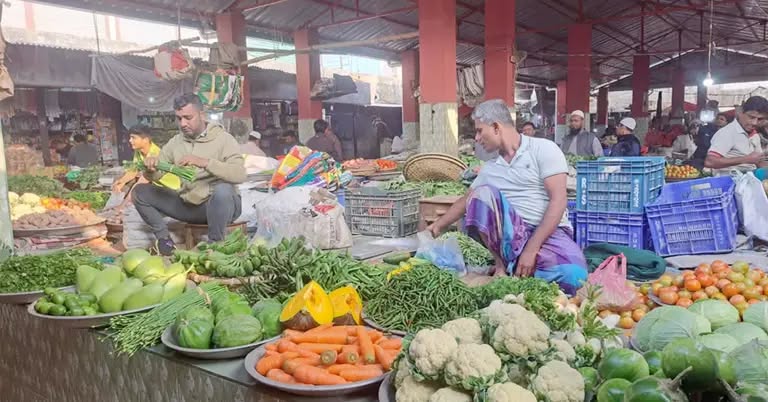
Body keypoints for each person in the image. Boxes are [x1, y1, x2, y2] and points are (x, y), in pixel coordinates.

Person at [427, 99, 588, 295]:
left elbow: (559, 200)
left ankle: (522, 266)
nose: (477, 138)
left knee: (574, 276)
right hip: (512, 237)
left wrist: (531, 250)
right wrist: (437, 225)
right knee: (481, 195)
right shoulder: (490, 168)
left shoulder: (544, 149)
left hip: (548, 233)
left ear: (496, 127)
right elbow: (465, 201)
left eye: (479, 131)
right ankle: (502, 265)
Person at [133, 93, 246, 256]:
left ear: (202, 115)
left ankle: (215, 246)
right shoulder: (175, 142)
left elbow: (240, 174)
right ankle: (164, 241)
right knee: (140, 192)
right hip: (190, 207)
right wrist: (150, 170)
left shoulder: (223, 139)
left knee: (223, 189)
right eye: (179, 118)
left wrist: (205, 162)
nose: (183, 123)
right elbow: (156, 176)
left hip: (220, 207)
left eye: (188, 118)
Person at [705, 96, 768, 176]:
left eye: (760, 119)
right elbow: (710, 162)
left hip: (749, 179)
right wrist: (745, 159)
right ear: (740, 112)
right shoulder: (728, 132)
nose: (754, 123)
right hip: (728, 181)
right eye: (751, 117)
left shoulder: (754, 135)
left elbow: (758, 162)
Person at [112, 125, 181, 194]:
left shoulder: (155, 154)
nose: (130, 140)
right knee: (120, 179)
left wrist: (127, 199)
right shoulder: (138, 151)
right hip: (156, 185)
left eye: (133, 138)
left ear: (145, 140)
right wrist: (121, 181)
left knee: (138, 188)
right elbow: (133, 170)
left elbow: (144, 179)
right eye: (130, 138)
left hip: (170, 188)